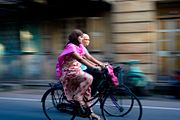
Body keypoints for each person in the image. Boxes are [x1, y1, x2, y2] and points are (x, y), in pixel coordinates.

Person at [56, 29, 102, 120]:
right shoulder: (71, 47)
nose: (83, 38)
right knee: (89, 78)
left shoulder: (80, 46)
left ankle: (90, 113)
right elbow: (81, 60)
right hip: (69, 71)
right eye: (81, 37)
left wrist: (101, 64)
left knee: (88, 92)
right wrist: (93, 67)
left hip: (77, 70)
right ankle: (77, 97)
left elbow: (88, 57)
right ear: (76, 38)